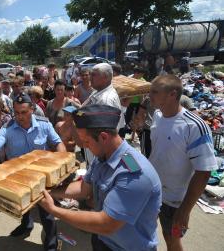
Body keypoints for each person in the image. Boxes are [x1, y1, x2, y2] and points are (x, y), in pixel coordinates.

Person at [39, 104, 162, 251]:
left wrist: (54, 210)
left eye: (86, 142)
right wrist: (50, 193)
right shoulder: (103, 155)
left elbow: (106, 224)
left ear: (103, 137)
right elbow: (84, 188)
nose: (84, 146)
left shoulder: (134, 174)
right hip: (102, 240)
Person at [0, 93, 66, 251]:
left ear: (32, 109)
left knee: (46, 213)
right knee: (21, 206)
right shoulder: (8, 129)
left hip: (42, 177)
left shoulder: (44, 124)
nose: (20, 117)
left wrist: (60, 167)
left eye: (24, 112)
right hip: (18, 177)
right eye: (17, 112)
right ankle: (26, 226)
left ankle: (52, 243)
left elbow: (58, 144)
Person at [148, 75, 217, 251]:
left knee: (172, 239)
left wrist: (185, 210)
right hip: (153, 192)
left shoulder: (194, 126)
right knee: (152, 232)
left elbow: (203, 172)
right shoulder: (157, 116)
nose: (150, 95)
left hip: (175, 200)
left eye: (155, 92)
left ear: (172, 94)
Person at [82, 63, 124, 166]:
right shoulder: (97, 92)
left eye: (94, 75)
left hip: (101, 151)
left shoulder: (106, 100)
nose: (90, 78)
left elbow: (106, 134)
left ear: (105, 77)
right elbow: (83, 108)